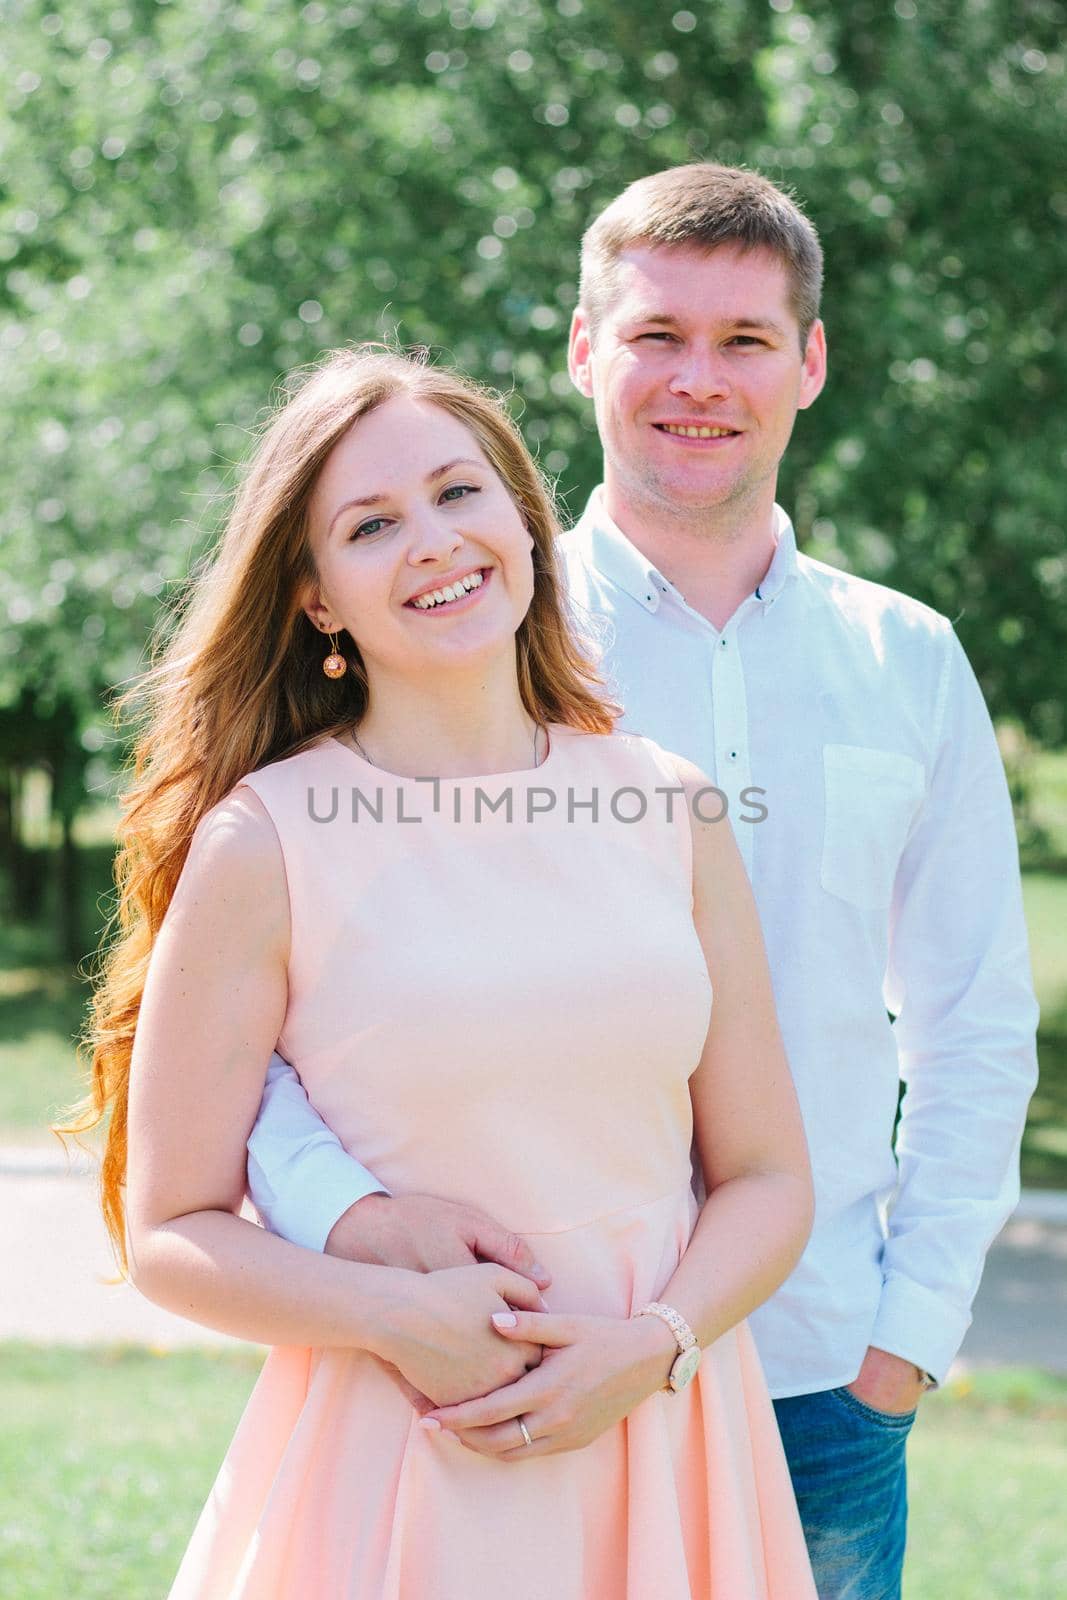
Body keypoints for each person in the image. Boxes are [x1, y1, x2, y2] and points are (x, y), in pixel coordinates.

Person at [248, 165, 1040, 1600]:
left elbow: (973, 1021)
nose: (697, 381)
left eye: (742, 340)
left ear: (808, 362)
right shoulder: (448, 614)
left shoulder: (905, 660)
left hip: (817, 1375)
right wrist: (366, 1245)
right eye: (654, 335)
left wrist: (899, 1344)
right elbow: (273, 1019)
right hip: (495, 1359)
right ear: (578, 352)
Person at [68, 345, 819, 1596]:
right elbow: (170, 1232)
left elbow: (767, 1176)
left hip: (667, 1430)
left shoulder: (672, 807)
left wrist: (654, 1344)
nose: (432, 541)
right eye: (370, 524)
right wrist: (386, 1314)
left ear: (523, 522)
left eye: (457, 493)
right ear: (317, 599)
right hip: (407, 1448)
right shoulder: (266, 841)